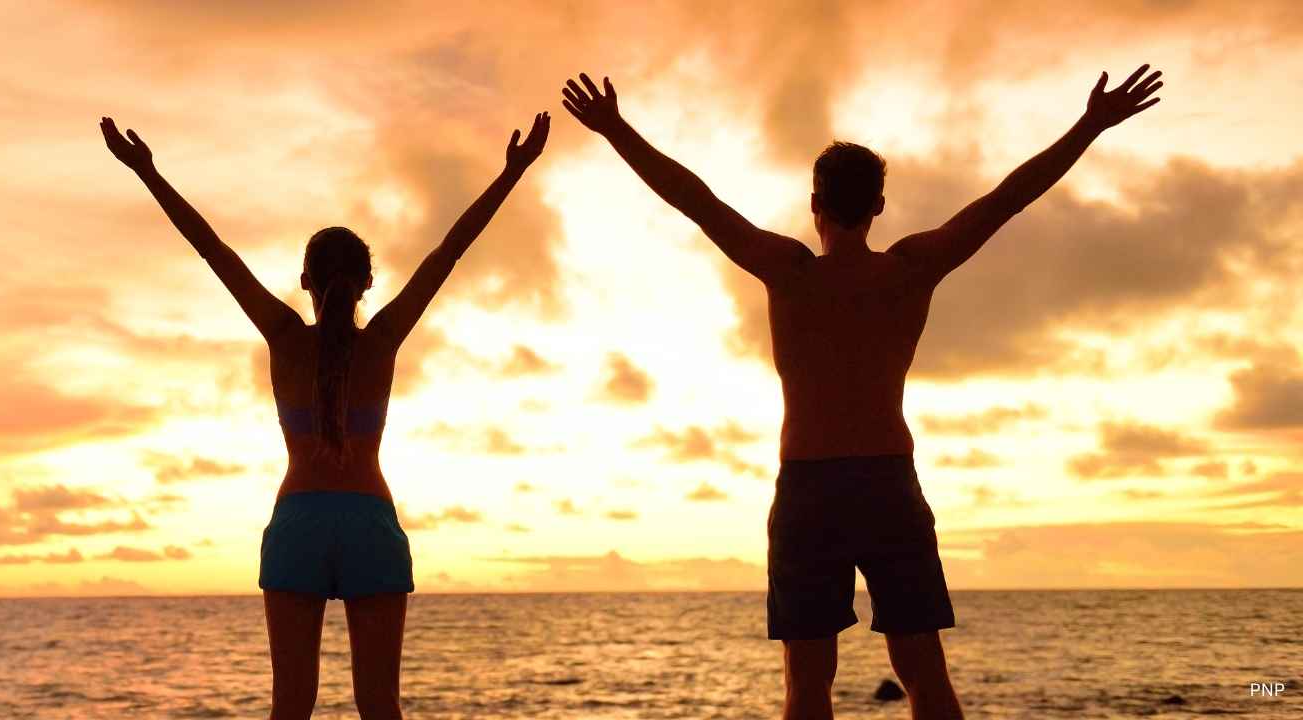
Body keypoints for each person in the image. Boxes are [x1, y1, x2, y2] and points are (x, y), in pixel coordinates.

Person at [561, 65, 1163, 720]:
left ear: (814, 204)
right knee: (924, 675)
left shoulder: (788, 271)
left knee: (807, 685)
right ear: (877, 206)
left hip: (809, 487)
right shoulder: (910, 269)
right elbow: (1007, 198)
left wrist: (615, 128)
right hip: (888, 484)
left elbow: (693, 199)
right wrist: (1090, 125)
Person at [101, 111, 551, 720]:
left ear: (305, 279)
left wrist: (147, 173)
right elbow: (450, 251)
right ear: (367, 283)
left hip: (299, 523)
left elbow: (213, 250)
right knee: (380, 709)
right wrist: (511, 172)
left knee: (289, 708)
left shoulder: (284, 336)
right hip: (370, 521)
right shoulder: (383, 338)